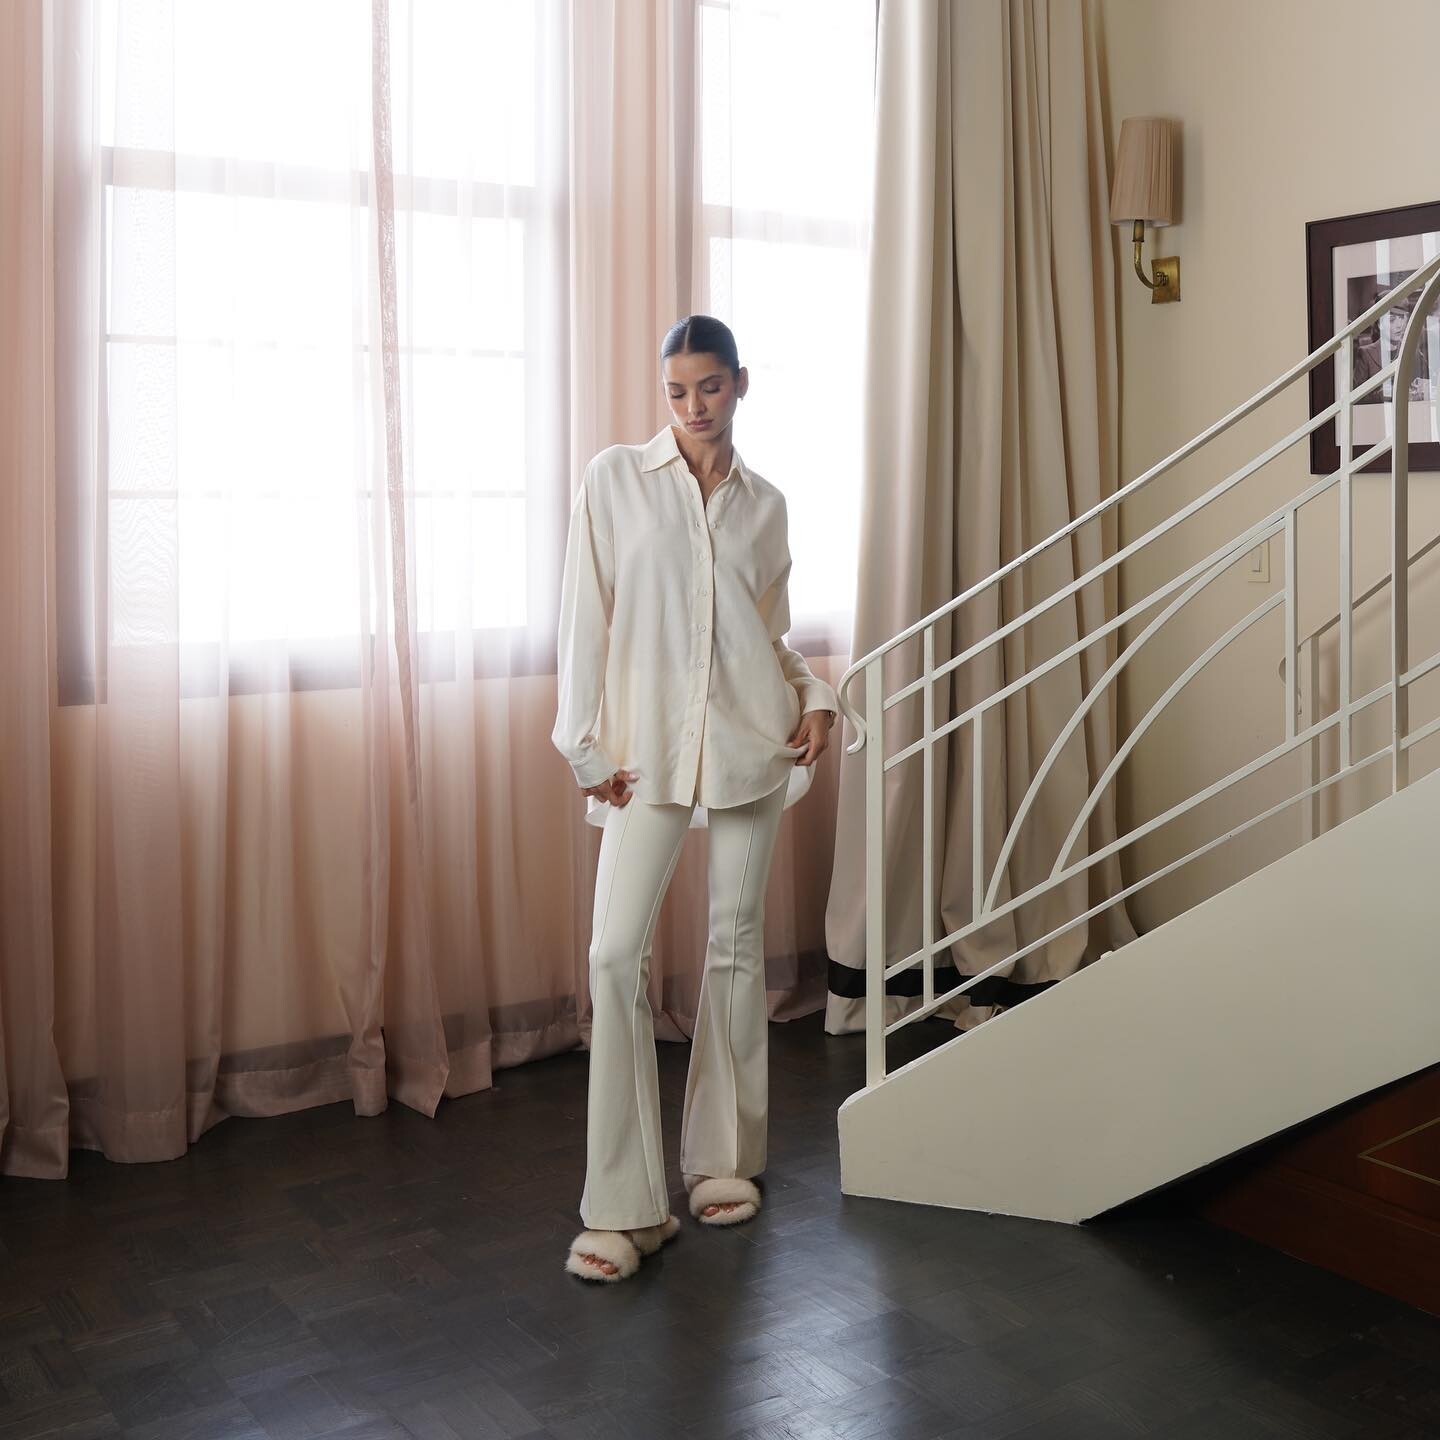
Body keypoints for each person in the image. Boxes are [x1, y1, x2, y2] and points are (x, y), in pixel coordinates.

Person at [551, 314, 839, 1282]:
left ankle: (725, 1159)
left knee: (734, 944)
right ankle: (624, 1204)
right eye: (676, 390)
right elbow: (583, 617)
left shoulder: (766, 505)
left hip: (751, 742)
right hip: (642, 756)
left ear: (740, 383)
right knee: (613, 955)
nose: (692, 406)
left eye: (709, 387)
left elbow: (767, 638)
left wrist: (818, 697)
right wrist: (582, 745)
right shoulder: (614, 481)